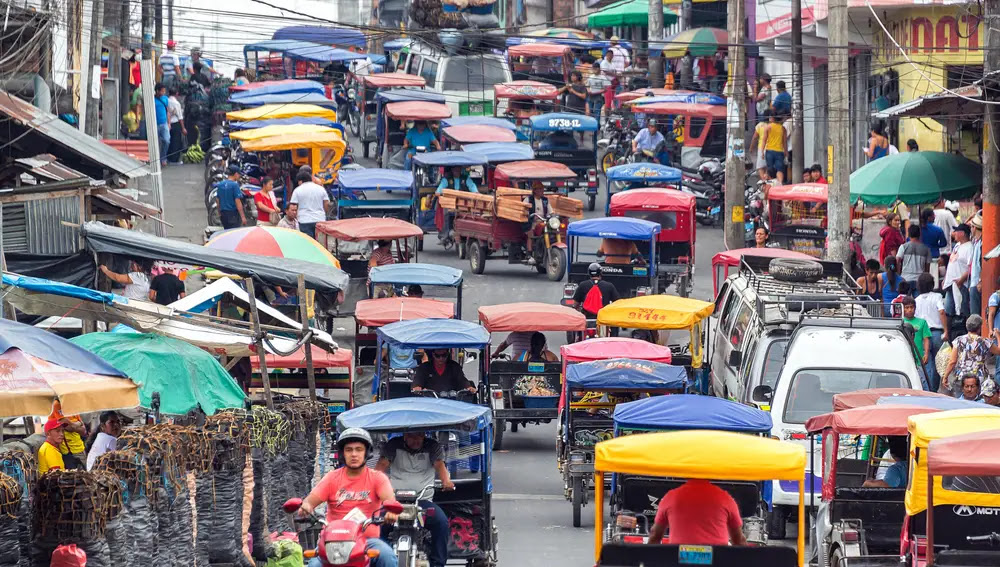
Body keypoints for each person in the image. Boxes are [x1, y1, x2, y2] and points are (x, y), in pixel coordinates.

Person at [298, 428, 398, 567]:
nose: (354, 454)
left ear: (367, 453)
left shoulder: (378, 478)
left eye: (359, 449)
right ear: (342, 453)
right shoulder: (332, 477)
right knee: (314, 564)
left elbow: (390, 501)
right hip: (332, 541)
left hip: (366, 540)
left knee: (387, 557)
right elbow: (309, 502)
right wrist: (306, 507)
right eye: (349, 450)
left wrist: (391, 512)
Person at [375, 433, 454, 567]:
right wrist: (376, 480)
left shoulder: (432, 446)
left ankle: (438, 563)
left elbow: (439, 465)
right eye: (412, 436)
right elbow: (382, 464)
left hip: (423, 502)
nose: (416, 440)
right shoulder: (394, 445)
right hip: (394, 502)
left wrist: (446, 481)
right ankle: (381, 559)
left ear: (424, 436)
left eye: (419, 436)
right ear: (405, 436)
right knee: (377, 523)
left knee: (442, 523)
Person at [647, 478, 746, 546]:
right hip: (717, 561)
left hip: (679, 562)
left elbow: (655, 534)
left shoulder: (671, 497)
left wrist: (648, 559)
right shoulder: (726, 498)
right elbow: (739, 540)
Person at [943, 315, 1000, 396]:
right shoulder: (985, 341)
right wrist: (998, 336)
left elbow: (952, 361)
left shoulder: (958, 340)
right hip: (979, 379)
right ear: (979, 328)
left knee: (962, 403)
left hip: (962, 378)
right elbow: (999, 351)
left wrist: (945, 377)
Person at [915, 274, 948, 391]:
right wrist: (946, 330)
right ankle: (934, 390)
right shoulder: (937, 296)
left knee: (926, 363)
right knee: (939, 363)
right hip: (937, 333)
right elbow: (942, 312)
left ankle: (927, 390)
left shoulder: (916, 300)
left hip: (923, 335)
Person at [900, 296, 932, 390]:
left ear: (915, 308)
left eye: (911, 307)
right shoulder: (899, 322)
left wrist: (926, 353)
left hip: (919, 357)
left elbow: (926, 339)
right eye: (907, 307)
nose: (909, 310)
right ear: (903, 308)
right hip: (904, 357)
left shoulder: (922, 322)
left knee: (922, 382)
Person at [943, 223, 973, 318]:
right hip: (950, 283)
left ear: (962, 233)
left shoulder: (970, 247)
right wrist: (945, 278)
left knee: (962, 309)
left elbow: (970, 267)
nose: (954, 233)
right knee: (948, 310)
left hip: (961, 284)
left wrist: (961, 279)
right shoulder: (957, 245)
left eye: (956, 231)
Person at [412, 349, 476, 394]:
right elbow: (418, 380)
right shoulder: (424, 367)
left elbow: (461, 380)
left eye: (444, 355)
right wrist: (417, 387)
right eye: (438, 356)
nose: (441, 358)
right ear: (433, 355)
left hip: (452, 401)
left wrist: (469, 387)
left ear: (448, 354)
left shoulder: (454, 366)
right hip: (430, 401)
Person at [290, 170, 331, 239]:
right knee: (320, 244)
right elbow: (326, 203)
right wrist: (324, 213)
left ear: (300, 181)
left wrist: (296, 217)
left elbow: (293, 206)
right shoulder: (321, 189)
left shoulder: (297, 190)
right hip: (320, 219)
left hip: (304, 220)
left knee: (308, 243)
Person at [47, 400, 87, 470]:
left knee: (85, 474)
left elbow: (83, 431)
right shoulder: (57, 405)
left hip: (80, 448)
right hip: (69, 452)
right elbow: (68, 427)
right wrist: (77, 424)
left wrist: (73, 425)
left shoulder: (73, 407)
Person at [521, 182, 550, 264]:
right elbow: (523, 211)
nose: (542, 191)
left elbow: (550, 211)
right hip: (530, 222)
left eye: (542, 189)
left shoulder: (545, 200)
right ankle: (529, 254)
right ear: (535, 190)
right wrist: (529, 215)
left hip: (543, 221)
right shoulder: (528, 199)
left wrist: (553, 215)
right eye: (540, 189)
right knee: (531, 234)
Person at [897, 224, 931, 290]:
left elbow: (897, 260)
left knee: (905, 299)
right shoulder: (926, 249)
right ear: (919, 234)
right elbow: (927, 267)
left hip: (905, 278)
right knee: (918, 300)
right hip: (919, 280)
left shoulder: (903, 247)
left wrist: (899, 275)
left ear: (909, 234)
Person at [763, 113, 787, 184]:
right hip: (779, 151)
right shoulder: (783, 128)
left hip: (769, 150)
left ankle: (769, 183)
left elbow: (764, 140)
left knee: (769, 168)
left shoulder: (768, 127)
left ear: (772, 118)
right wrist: (786, 152)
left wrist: (762, 151)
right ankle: (780, 183)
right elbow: (784, 142)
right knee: (779, 169)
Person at [165, 86, 186, 164]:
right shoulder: (176, 103)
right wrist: (183, 128)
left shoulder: (166, 101)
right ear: (176, 94)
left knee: (169, 141)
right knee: (176, 142)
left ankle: (168, 158)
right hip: (175, 124)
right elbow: (180, 117)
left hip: (167, 123)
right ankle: (174, 160)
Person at [969, 213, 984, 318]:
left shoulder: (982, 243)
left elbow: (983, 263)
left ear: (975, 228)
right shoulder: (976, 242)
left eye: (971, 227)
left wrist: (980, 280)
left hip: (977, 283)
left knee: (975, 315)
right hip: (974, 282)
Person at [749, 114, 771, 180]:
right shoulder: (772, 125)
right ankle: (768, 182)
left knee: (760, 168)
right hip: (771, 148)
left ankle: (764, 183)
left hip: (762, 148)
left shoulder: (760, 125)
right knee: (768, 167)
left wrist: (751, 147)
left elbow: (755, 137)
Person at [152, 83, 170, 167]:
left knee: (166, 140)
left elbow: (168, 111)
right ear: (157, 91)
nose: (163, 92)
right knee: (155, 143)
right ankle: (155, 159)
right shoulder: (152, 100)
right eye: (162, 91)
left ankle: (163, 158)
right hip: (155, 124)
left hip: (164, 123)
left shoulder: (165, 99)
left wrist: (169, 123)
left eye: (164, 91)